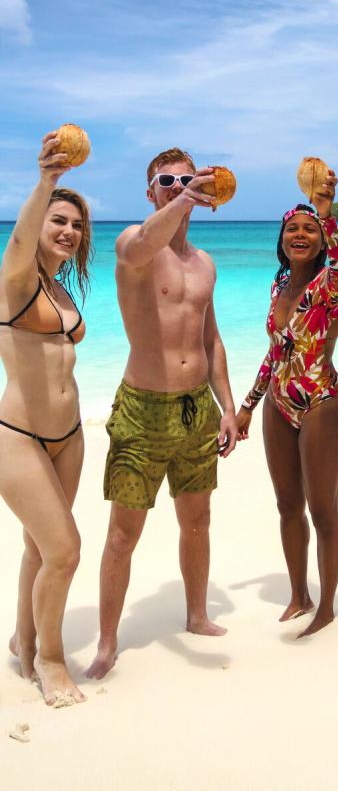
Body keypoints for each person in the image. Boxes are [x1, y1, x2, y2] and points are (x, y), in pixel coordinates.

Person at [86, 148, 237, 679]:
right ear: (150, 192)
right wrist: (183, 200)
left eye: (185, 179)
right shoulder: (135, 244)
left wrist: (228, 407)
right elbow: (141, 246)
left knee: (197, 521)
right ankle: (107, 642)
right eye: (166, 181)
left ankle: (196, 614)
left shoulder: (205, 264)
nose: (177, 186)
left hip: (197, 409)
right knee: (123, 535)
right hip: (143, 411)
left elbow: (211, 337)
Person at [235, 172, 338, 638]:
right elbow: (277, 349)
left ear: (322, 240)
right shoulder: (278, 284)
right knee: (288, 505)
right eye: (292, 229)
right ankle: (298, 595)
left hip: (323, 399)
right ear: (281, 240)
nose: (300, 235)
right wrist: (248, 404)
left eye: (310, 229)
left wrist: (326, 210)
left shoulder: (331, 284)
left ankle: (326, 606)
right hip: (279, 403)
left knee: (323, 508)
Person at [0, 131, 92, 706]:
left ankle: (23, 641)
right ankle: (52, 663)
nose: (67, 231)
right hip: (18, 438)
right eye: (58, 220)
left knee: (40, 547)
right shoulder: (14, 282)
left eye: (76, 225)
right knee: (65, 551)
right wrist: (45, 183)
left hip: (71, 435)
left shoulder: (59, 289)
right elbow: (16, 242)